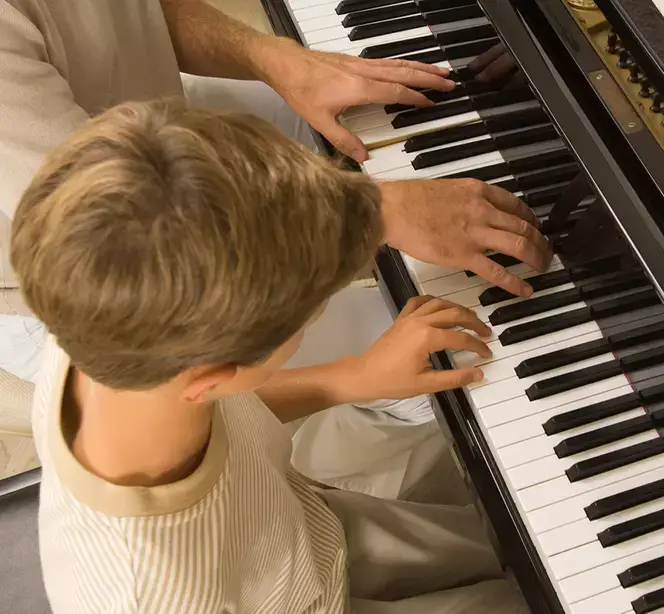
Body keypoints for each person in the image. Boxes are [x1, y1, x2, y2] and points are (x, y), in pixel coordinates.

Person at [0, 0, 551, 496]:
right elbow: (124, 227)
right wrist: (369, 212)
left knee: (349, 121)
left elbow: (130, 14)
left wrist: (274, 57)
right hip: (116, 281)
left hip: (156, 146)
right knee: (444, 372)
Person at [11, 99, 529, 614]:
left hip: (305, 534)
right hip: (292, 592)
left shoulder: (98, 314)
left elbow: (230, 410)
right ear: (213, 375)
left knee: (515, 554)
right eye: (312, 316)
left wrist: (351, 378)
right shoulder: (152, 595)